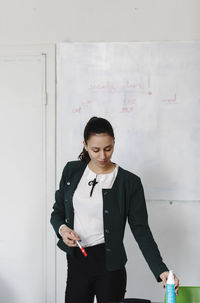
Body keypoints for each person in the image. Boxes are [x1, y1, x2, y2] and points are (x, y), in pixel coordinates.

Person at [50, 116, 179, 303]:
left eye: (108, 148)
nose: (102, 156)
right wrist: (63, 230)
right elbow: (57, 212)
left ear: (114, 143)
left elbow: (141, 229)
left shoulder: (129, 182)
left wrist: (161, 270)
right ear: (85, 145)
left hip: (110, 267)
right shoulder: (71, 171)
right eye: (95, 150)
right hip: (77, 262)